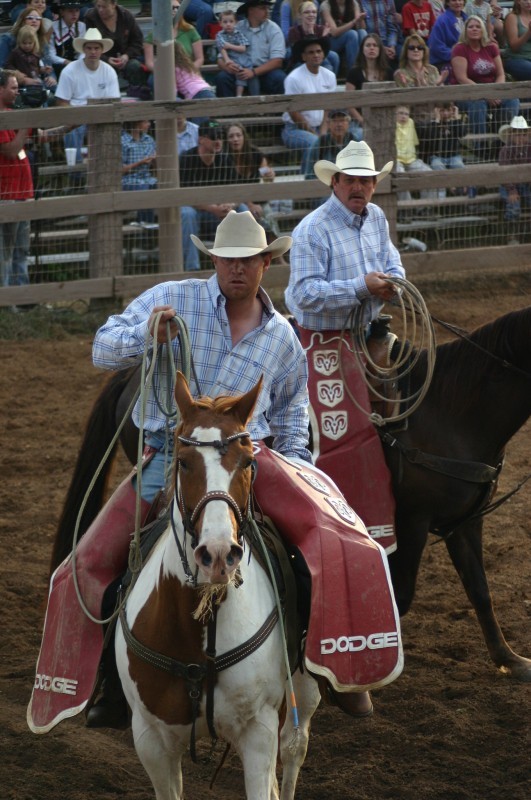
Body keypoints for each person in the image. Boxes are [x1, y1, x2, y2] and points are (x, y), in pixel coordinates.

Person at [36, 209, 397, 731]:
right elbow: (102, 347)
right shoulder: (173, 302)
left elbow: (295, 409)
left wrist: (293, 466)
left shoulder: (281, 338)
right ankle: (112, 682)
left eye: (247, 260)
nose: (236, 269)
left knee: (329, 541)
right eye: (226, 260)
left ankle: (323, 665)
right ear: (214, 261)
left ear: (266, 263)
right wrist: (146, 339)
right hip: (173, 458)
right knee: (89, 560)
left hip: (253, 458)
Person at [285, 140, 404, 555]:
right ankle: (341, 526)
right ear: (335, 182)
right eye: (351, 180)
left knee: (413, 390)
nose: (360, 187)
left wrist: (392, 282)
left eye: (366, 181)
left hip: (367, 333)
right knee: (342, 434)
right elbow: (303, 296)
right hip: (321, 339)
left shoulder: (376, 219)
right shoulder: (312, 230)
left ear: (374, 184)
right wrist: (361, 287)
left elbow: (393, 263)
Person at [179, 120, 249, 272]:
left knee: (242, 209)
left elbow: (237, 191)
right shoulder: (186, 159)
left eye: (220, 136)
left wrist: (230, 204)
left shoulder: (225, 158)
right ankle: (193, 268)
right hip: (197, 213)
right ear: (201, 140)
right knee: (186, 212)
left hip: (219, 212)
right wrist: (212, 208)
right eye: (213, 136)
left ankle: (243, 262)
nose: (218, 141)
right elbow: (186, 197)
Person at [450, 15, 519, 158]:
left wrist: (496, 92)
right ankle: (479, 146)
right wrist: (486, 94)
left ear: (483, 29)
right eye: (471, 27)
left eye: (478, 26)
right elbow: (462, 78)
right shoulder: (459, 49)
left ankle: (500, 142)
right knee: (478, 104)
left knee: (513, 100)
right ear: (465, 30)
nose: (474, 29)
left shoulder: (491, 47)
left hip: (492, 90)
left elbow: (501, 74)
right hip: (466, 92)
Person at [48, 28, 120, 161]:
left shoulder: (109, 71)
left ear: (101, 50)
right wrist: (75, 119)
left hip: (101, 117)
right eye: (89, 48)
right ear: (84, 50)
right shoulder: (69, 71)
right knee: (72, 131)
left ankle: (107, 166)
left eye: (96, 48)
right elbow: (62, 103)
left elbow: (114, 102)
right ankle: (77, 173)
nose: (93, 51)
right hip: (76, 117)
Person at [281, 36, 337, 176]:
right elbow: (294, 113)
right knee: (314, 143)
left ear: (323, 54)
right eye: (311, 52)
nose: (316, 55)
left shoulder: (329, 76)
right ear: (303, 56)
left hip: (322, 126)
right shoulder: (294, 78)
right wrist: (315, 134)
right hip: (294, 129)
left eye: (319, 51)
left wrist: (323, 132)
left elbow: (328, 109)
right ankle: (307, 187)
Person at [0, 69, 34, 289]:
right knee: (6, 252)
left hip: (23, 194)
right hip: (7, 195)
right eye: (13, 87)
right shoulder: (4, 118)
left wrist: (72, 125)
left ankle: (23, 300)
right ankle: (6, 301)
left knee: (22, 250)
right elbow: (11, 150)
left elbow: (45, 135)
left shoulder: (14, 114)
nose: (17, 92)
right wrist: (26, 125)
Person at [215, 0, 286, 98]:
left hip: (264, 71)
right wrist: (227, 67)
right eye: (262, 8)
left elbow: (277, 61)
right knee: (222, 78)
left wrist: (253, 72)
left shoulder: (273, 29)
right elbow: (220, 58)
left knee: (279, 78)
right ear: (251, 10)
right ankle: (228, 112)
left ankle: (277, 112)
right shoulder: (237, 27)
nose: (267, 11)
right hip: (239, 70)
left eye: (267, 8)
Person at [83, 0, 145, 91]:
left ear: (114, 4)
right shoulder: (91, 17)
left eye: (104, 7)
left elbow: (138, 41)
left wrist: (127, 55)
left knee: (134, 66)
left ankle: (137, 92)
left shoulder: (126, 15)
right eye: (98, 6)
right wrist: (106, 59)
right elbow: (88, 45)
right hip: (101, 58)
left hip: (126, 57)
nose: (100, 10)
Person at [345, 33, 393, 139]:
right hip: (359, 122)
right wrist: (362, 121)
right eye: (368, 45)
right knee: (360, 135)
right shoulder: (354, 72)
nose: (372, 48)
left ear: (380, 49)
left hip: (384, 119)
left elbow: (393, 99)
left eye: (375, 45)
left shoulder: (388, 72)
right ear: (362, 49)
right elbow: (349, 103)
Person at [226, 121, 275, 222]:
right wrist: (250, 204)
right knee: (246, 212)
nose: (235, 139)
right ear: (226, 140)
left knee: (268, 212)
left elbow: (266, 177)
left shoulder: (255, 154)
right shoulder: (224, 158)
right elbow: (232, 189)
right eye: (231, 136)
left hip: (255, 198)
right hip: (234, 200)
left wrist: (270, 175)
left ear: (244, 137)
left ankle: (272, 238)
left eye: (238, 135)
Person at [143, 0, 204, 81]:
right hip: (163, 73)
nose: (175, 10)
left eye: (178, 8)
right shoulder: (154, 34)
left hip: (188, 72)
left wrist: (187, 71)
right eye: (172, 8)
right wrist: (165, 73)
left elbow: (200, 59)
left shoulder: (190, 30)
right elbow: (149, 63)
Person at [416, 101, 466, 197]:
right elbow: (431, 138)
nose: (445, 114)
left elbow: (461, 133)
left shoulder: (454, 123)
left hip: (453, 155)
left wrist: (456, 118)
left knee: (459, 166)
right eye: (442, 111)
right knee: (437, 167)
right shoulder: (432, 125)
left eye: (448, 110)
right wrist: (437, 120)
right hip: (437, 157)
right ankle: (444, 195)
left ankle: (461, 194)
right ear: (436, 111)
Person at [498, 115, 531, 245]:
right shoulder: (505, 151)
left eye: (523, 134)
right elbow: (504, 174)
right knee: (513, 206)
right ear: (511, 135)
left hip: (527, 184)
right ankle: (511, 235)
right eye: (517, 134)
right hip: (509, 184)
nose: (521, 138)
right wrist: (512, 190)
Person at [4, 23, 56, 101]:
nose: (27, 46)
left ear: (34, 43)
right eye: (24, 43)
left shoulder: (36, 54)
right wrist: (16, 72)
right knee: (32, 95)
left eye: (30, 43)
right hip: (24, 83)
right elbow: (7, 64)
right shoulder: (16, 53)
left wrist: (44, 69)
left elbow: (37, 68)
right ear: (19, 42)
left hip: (36, 80)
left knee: (45, 91)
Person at [395, 104, 437, 200]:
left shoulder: (411, 122)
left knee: (430, 174)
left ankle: (425, 207)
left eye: (406, 114)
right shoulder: (390, 125)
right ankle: (408, 207)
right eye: (401, 113)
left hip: (412, 160)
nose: (404, 116)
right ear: (394, 115)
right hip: (396, 161)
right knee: (401, 178)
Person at [286, 0, 340, 74]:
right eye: (307, 12)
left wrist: (324, 37)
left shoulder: (321, 29)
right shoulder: (294, 31)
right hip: (300, 59)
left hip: (318, 57)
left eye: (314, 12)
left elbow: (324, 51)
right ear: (300, 15)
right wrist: (311, 35)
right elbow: (299, 54)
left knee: (334, 57)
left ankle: (330, 82)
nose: (311, 15)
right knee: (327, 65)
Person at [121, 119, 156, 226]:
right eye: (145, 122)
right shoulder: (122, 141)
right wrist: (140, 163)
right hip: (128, 181)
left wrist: (156, 160)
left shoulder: (149, 139)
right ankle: (145, 223)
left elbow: (155, 168)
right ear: (136, 123)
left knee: (164, 185)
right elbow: (119, 171)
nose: (149, 124)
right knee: (145, 189)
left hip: (148, 178)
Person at [0, 7, 55, 75]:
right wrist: (22, 79)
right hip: (15, 81)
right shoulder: (7, 39)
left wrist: (50, 76)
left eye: (38, 19)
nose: (34, 21)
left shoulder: (42, 41)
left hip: (38, 79)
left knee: (52, 85)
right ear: (22, 21)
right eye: (30, 18)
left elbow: (49, 68)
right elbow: (2, 68)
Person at [318, 0, 368, 70]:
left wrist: (361, 19)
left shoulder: (353, 3)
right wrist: (353, 22)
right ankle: (353, 71)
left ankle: (367, 68)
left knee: (362, 33)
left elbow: (362, 27)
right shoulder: (326, 5)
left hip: (351, 41)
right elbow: (334, 32)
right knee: (352, 34)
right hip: (331, 41)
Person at [215, 9, 252, 97]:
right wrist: (227, 60)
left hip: (241, 58)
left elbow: (243, 48)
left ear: (235, 23)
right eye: (225, 22)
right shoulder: (219, 35)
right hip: (229, 58)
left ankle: (239, 94)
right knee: (222, 77)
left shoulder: (239, 33)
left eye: (231, 21)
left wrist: (229, 46)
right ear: (220, 23)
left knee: (241, 71)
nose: (228, 24)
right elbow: (222, 48)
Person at [48, 0, 86, 78]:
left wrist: (78, 63)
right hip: (58, 66)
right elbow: (51, 55)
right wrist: (65, 61)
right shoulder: (53, 27)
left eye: (77, 10)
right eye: (70, 11)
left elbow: (82, 50)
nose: (74, 14)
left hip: (77, 65)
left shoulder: (81, 26)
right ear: (62, 12)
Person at [357, 0, 400, 66]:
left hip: (387, 42)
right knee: (361, 33)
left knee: (402, 51)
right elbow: (362, 30)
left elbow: (392, 28)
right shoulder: (359, 2)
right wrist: (381, 47)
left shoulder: (388, 1)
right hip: (369, 43)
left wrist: (392, 46)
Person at [427, 0, 466, 71]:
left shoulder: (467, 19)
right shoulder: (441, 21)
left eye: (460, 0)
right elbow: (436, 46)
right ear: (448, 2)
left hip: (465, 59)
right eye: (454, 0)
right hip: (445, 62)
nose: (457, 2)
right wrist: (456, 54)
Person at [503, 0, 531, 81]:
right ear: (518, 1)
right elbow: (514, 47)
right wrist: (529, 32)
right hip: (516, 58)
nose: (528, 2)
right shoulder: (512, 17)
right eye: (525, 0)